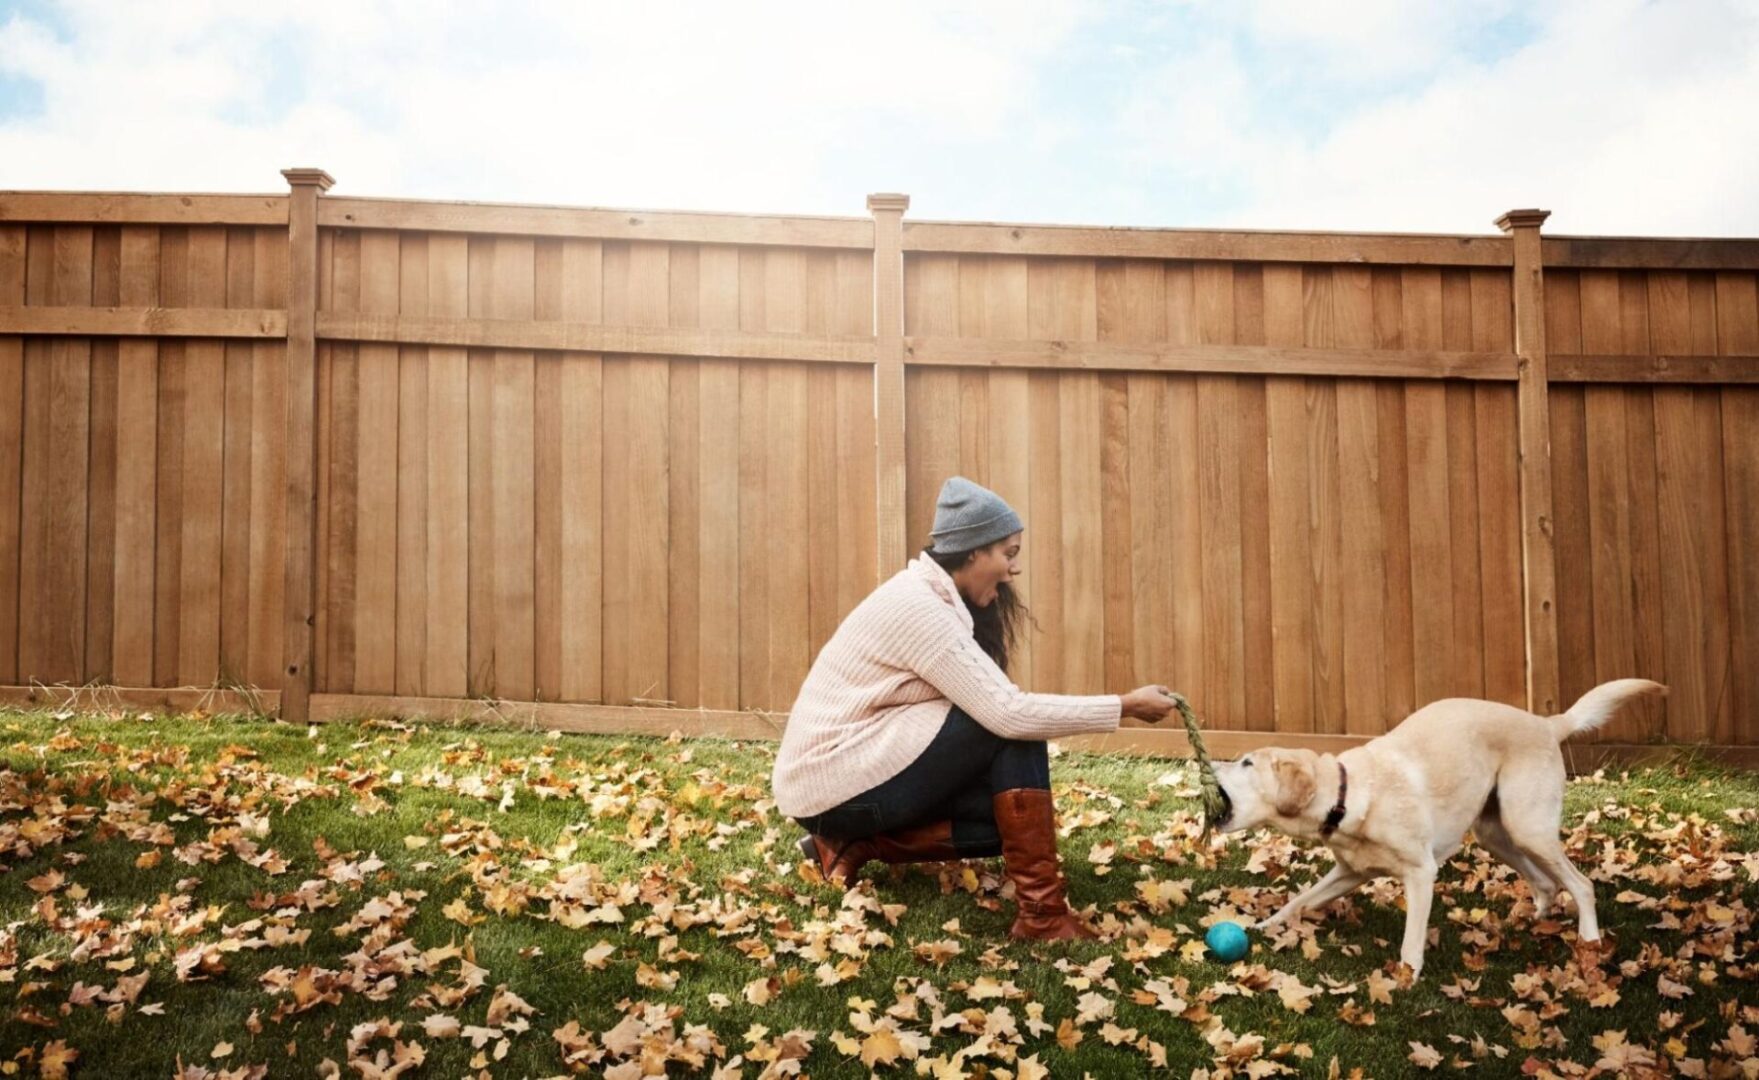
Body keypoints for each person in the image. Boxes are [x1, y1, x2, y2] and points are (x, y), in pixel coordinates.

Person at [770, 476, 1179, 940]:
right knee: (1012, 725)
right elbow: (1010, 715)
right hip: (831, 780)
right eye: (1008, 553)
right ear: (971, 552)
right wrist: (1124, 705)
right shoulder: (919, 609)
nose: (1013, 570)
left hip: (852, 776)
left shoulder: (936, 601)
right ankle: (1042, 915)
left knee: (1008, 818)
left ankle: (852, 844)